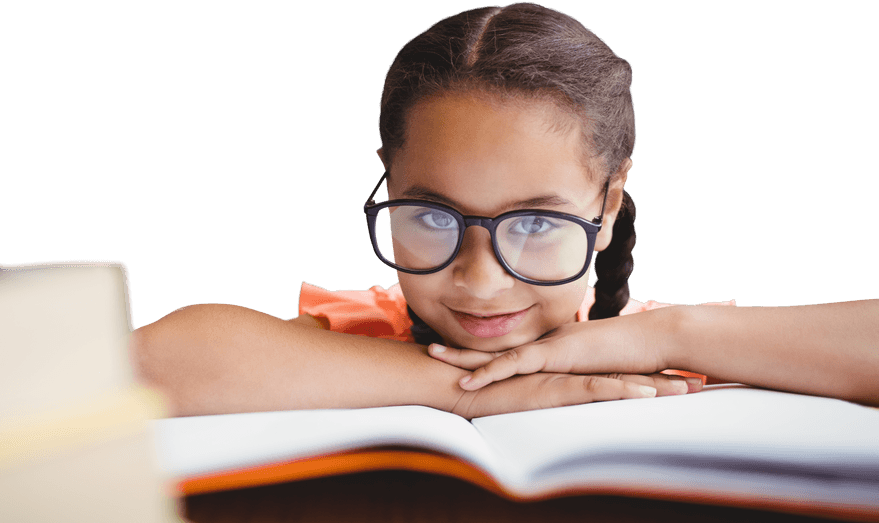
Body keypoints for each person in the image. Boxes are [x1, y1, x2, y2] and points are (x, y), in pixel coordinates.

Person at [132, 2, 879, 418]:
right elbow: (155, 362)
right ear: (389, 182)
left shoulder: (658, 353)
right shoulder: (343, 345)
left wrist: (676, 330)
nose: (480, 284)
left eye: (534, 224)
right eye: (431, 217)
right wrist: (474, 391)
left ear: (607, 203)